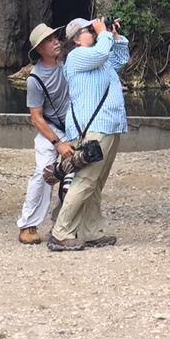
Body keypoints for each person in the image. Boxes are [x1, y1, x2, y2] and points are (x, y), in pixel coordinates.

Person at [48, 16, 130, 251]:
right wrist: (103, 33)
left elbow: (121, 58)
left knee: (96, 183)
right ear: (75, 39)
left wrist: (113, 35)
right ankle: (61, 232)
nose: (93, 32)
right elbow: (102, 54)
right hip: (94, 128)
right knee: (85, 181)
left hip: (110, 126)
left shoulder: (99, 58)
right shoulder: (76, 57)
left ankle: (92, 231)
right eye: (88, 30)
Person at [17, 22, 72, 245]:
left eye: (56, 38)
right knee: (44, 173)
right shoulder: (35, 79)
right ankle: (27, 224)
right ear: (40, 48)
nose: (56, 41)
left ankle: (64, 221)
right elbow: (36, 117)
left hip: (73, 126)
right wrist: (57, 142)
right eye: (49, 40)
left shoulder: (68, 63)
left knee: (75, 174)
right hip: (51, 128)